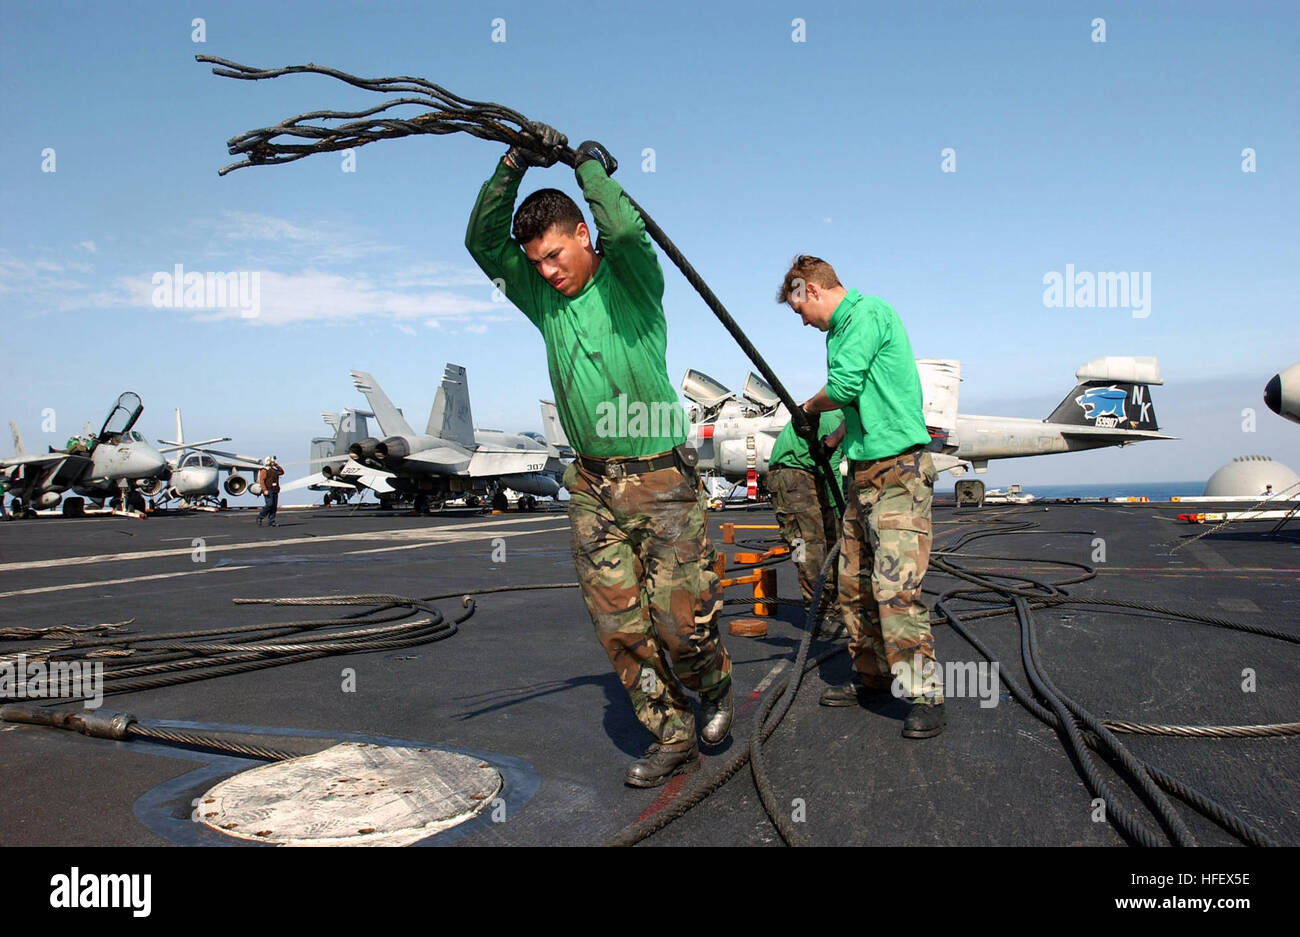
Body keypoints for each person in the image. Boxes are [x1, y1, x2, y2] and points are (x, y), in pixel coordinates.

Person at [465, 126, 733, 787]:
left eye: (556, 254)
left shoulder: (631, 283)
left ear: (581, 234)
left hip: (664, 478)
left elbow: (627, 230)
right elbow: (480, 242)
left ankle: (713, 682)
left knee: (682, 628)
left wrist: (589, 167)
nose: (548, 272)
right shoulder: (541, 300)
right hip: (591, 483)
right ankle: (671, 733)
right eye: (537, 263)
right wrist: (513, 164)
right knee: (619, 622)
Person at [778, 255, 946, 739]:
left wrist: (808, 409)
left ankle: (925, 694)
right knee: (853, 585)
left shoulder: (867, 314)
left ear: (809, 289)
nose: (803, 322)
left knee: (895, 590)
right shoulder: (840, 332)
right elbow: (862, 396)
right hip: (864, 477)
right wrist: (832, 440)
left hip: (899, 475)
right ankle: (872, 677)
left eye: (798, 310)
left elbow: (846, 385)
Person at [767, 409, 846, 637]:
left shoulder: (843, 416)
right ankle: (818, 614)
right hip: (791, 476)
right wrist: (837, 508)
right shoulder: (834, 418)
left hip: (810, 474)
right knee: (806, 546)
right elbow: (830, 465)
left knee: (832, 542)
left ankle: (835, 606)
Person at [256, 456, 284, 527]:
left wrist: (277, 465)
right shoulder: (264, 470)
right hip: (268, 490)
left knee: (274, 506)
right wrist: (264, 490)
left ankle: (272, 521)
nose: (273, 463)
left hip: (275, 490)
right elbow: (261, 481)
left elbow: (282, 472)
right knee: (269, 504)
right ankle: (260, 516)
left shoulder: (274, 470)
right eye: (272, 461)